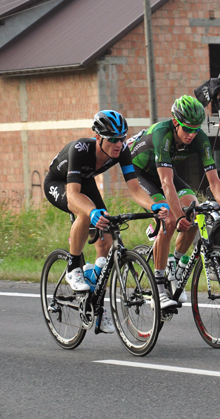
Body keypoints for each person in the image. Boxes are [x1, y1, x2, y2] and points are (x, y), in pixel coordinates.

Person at [44, 110, 169, 333]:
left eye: (122, 138)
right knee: (85, 214)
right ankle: (74, 267)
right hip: (60, 183)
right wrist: (91, 212)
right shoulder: (81, 149)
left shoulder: (122, 150)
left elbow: (134, 188)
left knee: (106, 240)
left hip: (86, 181)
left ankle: (97, 306)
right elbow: (73, 195)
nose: (119, 144)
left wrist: (153, 205)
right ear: (99, 137)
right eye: (113, 139)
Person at [129, 95, 220, 309]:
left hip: (163, 171)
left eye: (195, 129)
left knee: (194, 210)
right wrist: (178, 216)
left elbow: (215, 181)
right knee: (170, 219)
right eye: (187, 129)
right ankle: (159, 287)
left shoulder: (199, 138)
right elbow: (165, 183)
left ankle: (177, 267)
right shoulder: (162, 134)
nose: (192, 134)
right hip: (140, 173)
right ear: (175, 123)